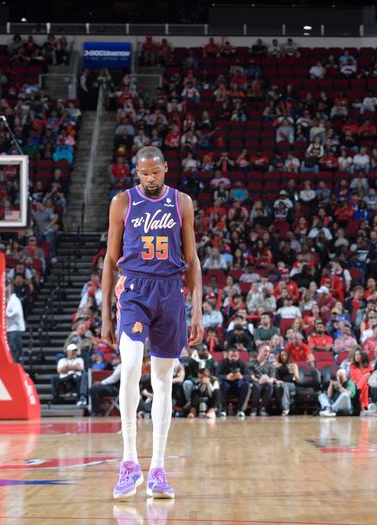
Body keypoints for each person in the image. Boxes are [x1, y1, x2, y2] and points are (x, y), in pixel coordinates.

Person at [101, 146, 204, 500]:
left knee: (163, 380)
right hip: (133, 291)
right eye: (143, 172)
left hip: (170, 293)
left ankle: (158, 468)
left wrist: (198, 308)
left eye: (155, 172)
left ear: (165, 169)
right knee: (129, 367)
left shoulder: (182, 202)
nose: (149, 178)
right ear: (136, 171)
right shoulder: (122, 202)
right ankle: (129, 462)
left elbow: (192, 259)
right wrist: (104, 313)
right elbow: (110, 261)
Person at [217, 347, 251, 417]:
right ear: (227, 356)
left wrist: (241, 376)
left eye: (235, 356)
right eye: (231, 356)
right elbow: (217, 376)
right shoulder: (222, 363)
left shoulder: (243, 363)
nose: (233, 358)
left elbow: (248, 376)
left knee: (246, 385)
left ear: (238, 356)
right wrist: (226, 377)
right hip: (226, 383)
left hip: (238, 384)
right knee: (220, 384)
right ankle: (223, 410)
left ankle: (240, 410)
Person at [5, 283, 25, 364]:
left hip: (15, 328)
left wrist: (7, 314)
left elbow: (16, 312)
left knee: (15, 347)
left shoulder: (15, 300)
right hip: (10, 328)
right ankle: (14, 361)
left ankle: (17, 362)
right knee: (11, 347)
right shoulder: (9, 300)